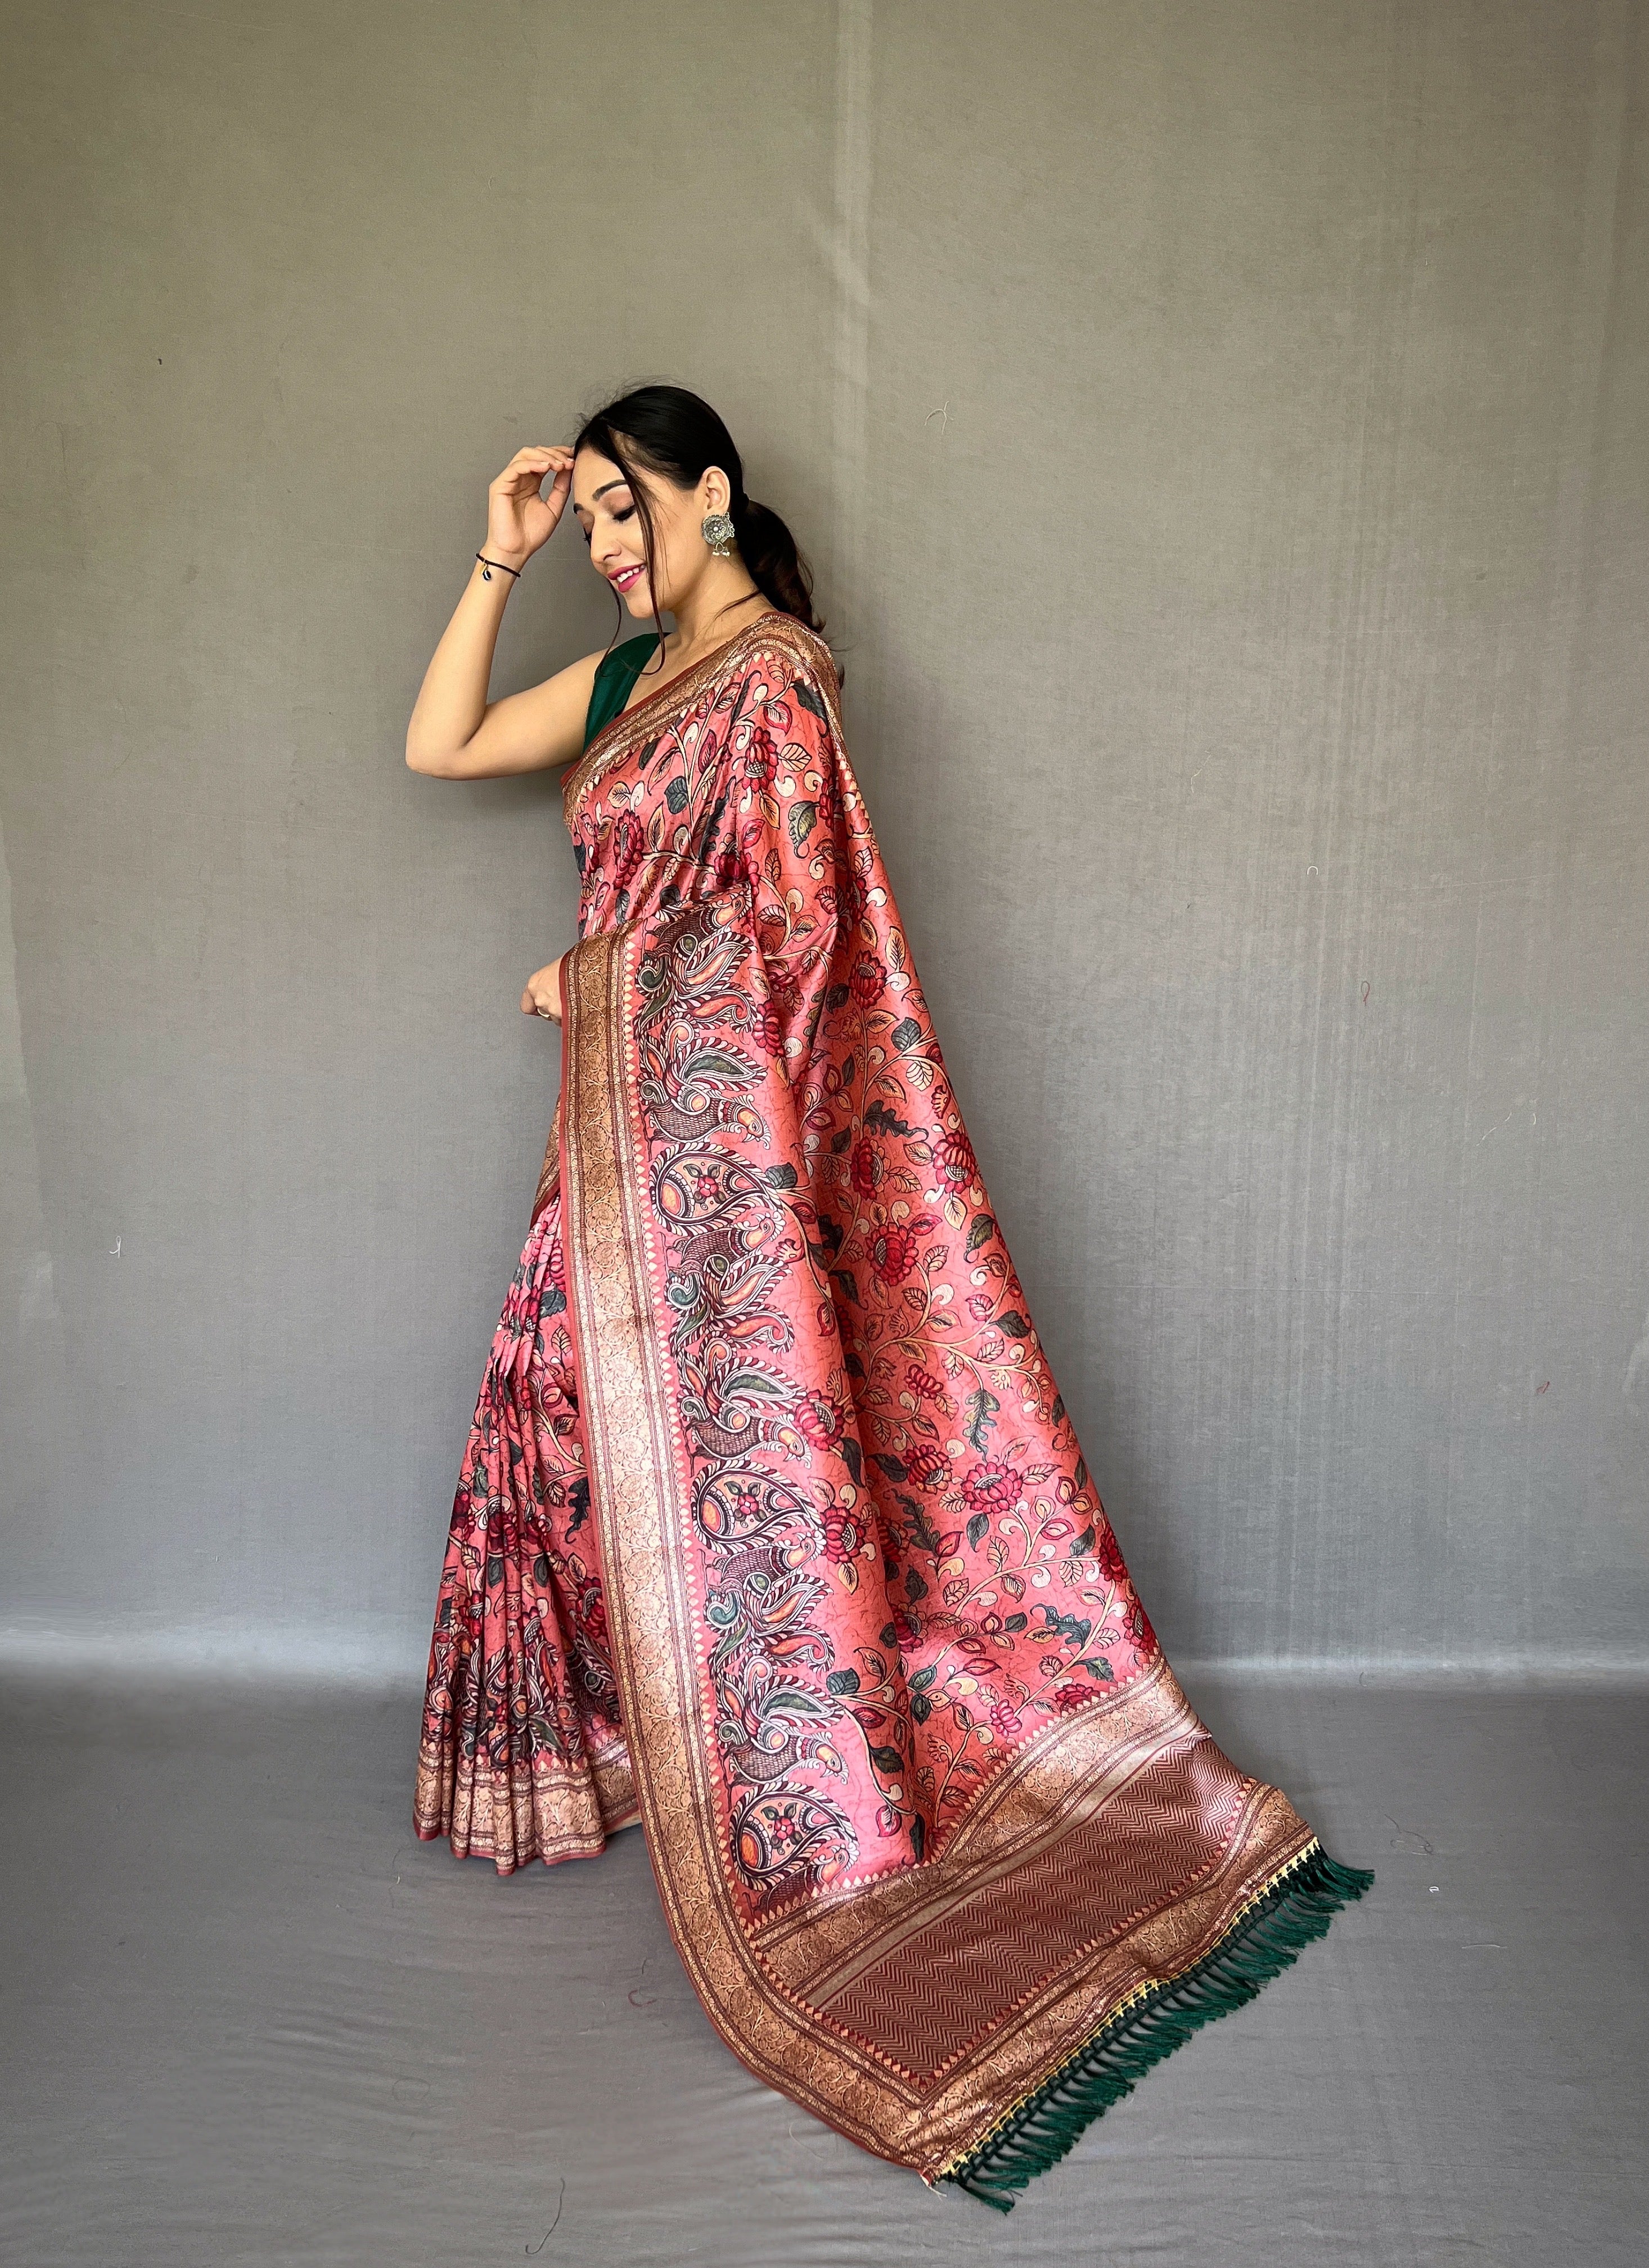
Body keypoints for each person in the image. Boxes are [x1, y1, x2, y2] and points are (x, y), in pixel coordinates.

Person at [404, 384, 1369, 2207]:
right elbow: (442, 743)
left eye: (628, 509)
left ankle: (815, 1782)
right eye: (589, 520)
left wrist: (589, 968)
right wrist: (498, 552)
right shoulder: (626, 683)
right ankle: (628, 1749)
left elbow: (781, 924)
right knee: (565, 1419)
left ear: (712, 493)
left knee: (723, 1454)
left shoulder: (773, 681)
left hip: (727, 1132)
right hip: (624, 1135)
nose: (610, 547)